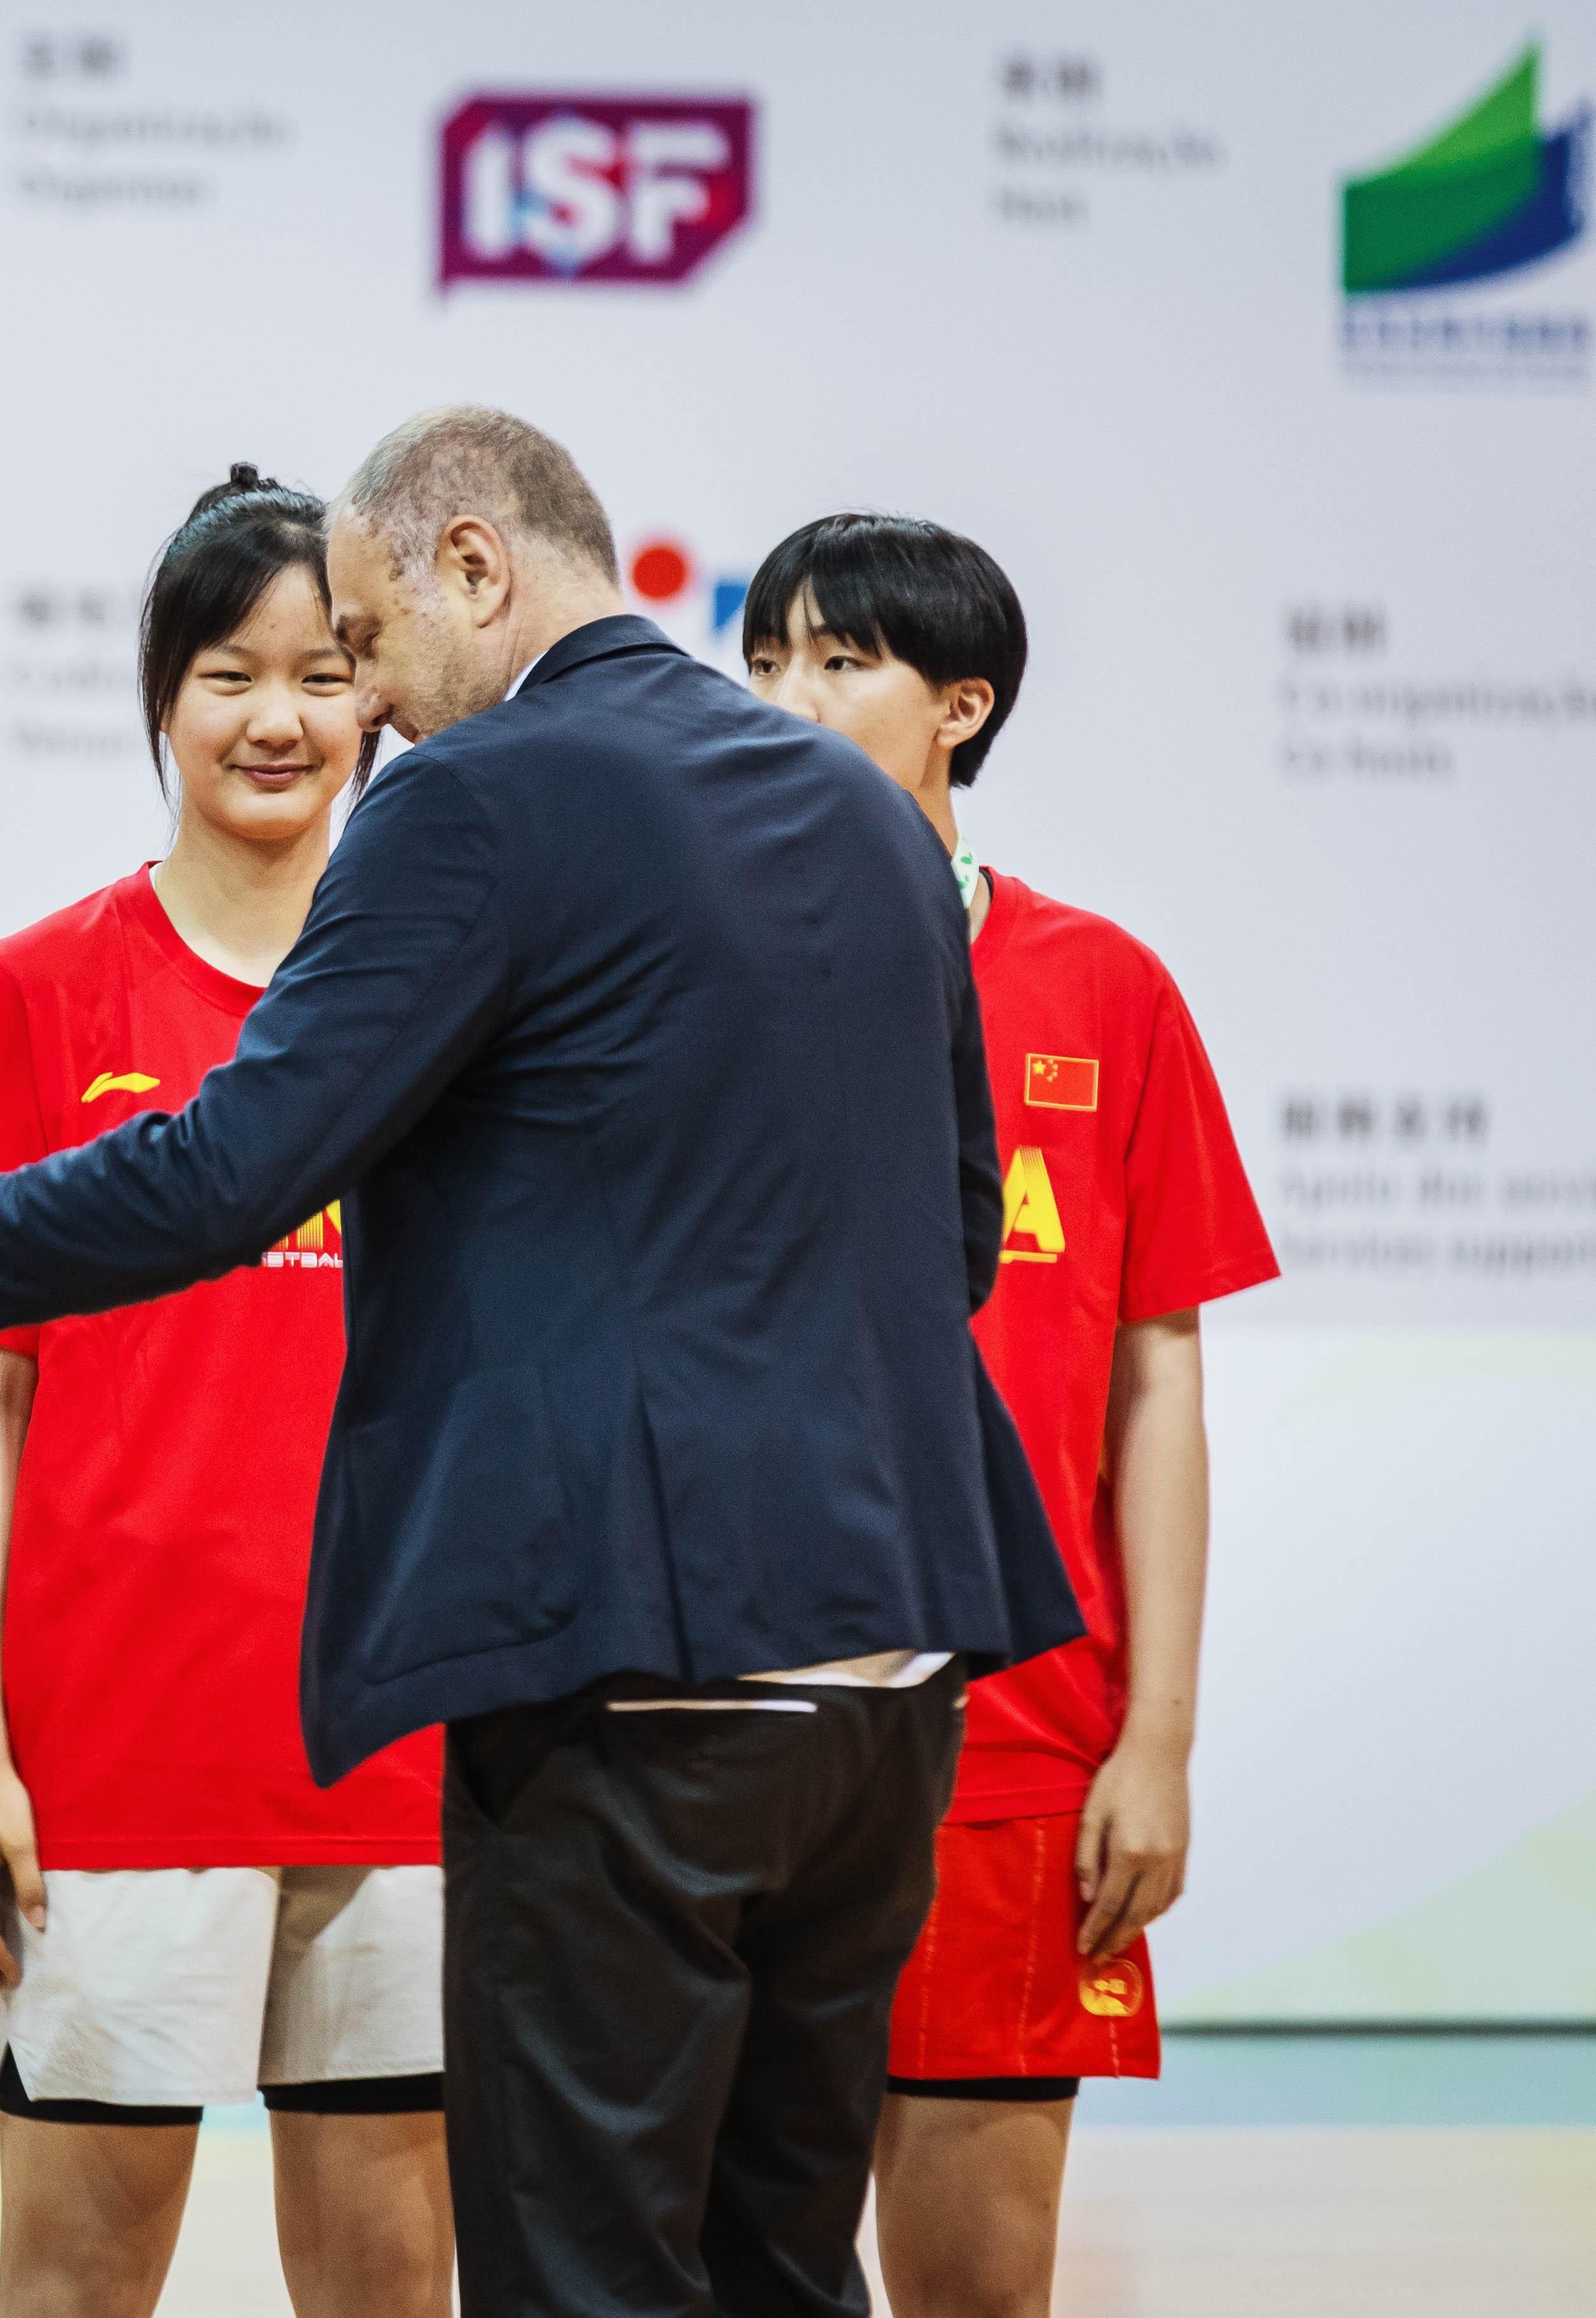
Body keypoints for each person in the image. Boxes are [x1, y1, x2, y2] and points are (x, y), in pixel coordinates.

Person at [0, 405, 1081, 2318]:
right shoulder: (857, 808)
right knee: (779, 2255)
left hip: (637, 1665)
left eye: (365, 642)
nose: (360, 702)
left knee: (582, 2275)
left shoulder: (472, 799)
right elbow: (955, 1238)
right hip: (894, 1670)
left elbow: (229, 1167)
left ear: (474, 565)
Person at [741, 514, 1277, 2318]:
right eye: (764, 662)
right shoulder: (685, 969)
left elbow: (1158, 1383)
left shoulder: (1104, 993)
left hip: (1019, 1739)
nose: (789, 697)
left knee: (980, 2286)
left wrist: (1159, 1743)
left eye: (840, 660)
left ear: (962, 706)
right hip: (734, 1725)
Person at [0, 467, 449, 2318]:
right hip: (113, 1756)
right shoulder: (35, 993)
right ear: (161, 698)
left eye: (324, 675)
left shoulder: (454, 996)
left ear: (380, 703)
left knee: (392, 2278)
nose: (279, 719)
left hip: (407, 1747)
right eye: (232, 672)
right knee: (77, 2287)